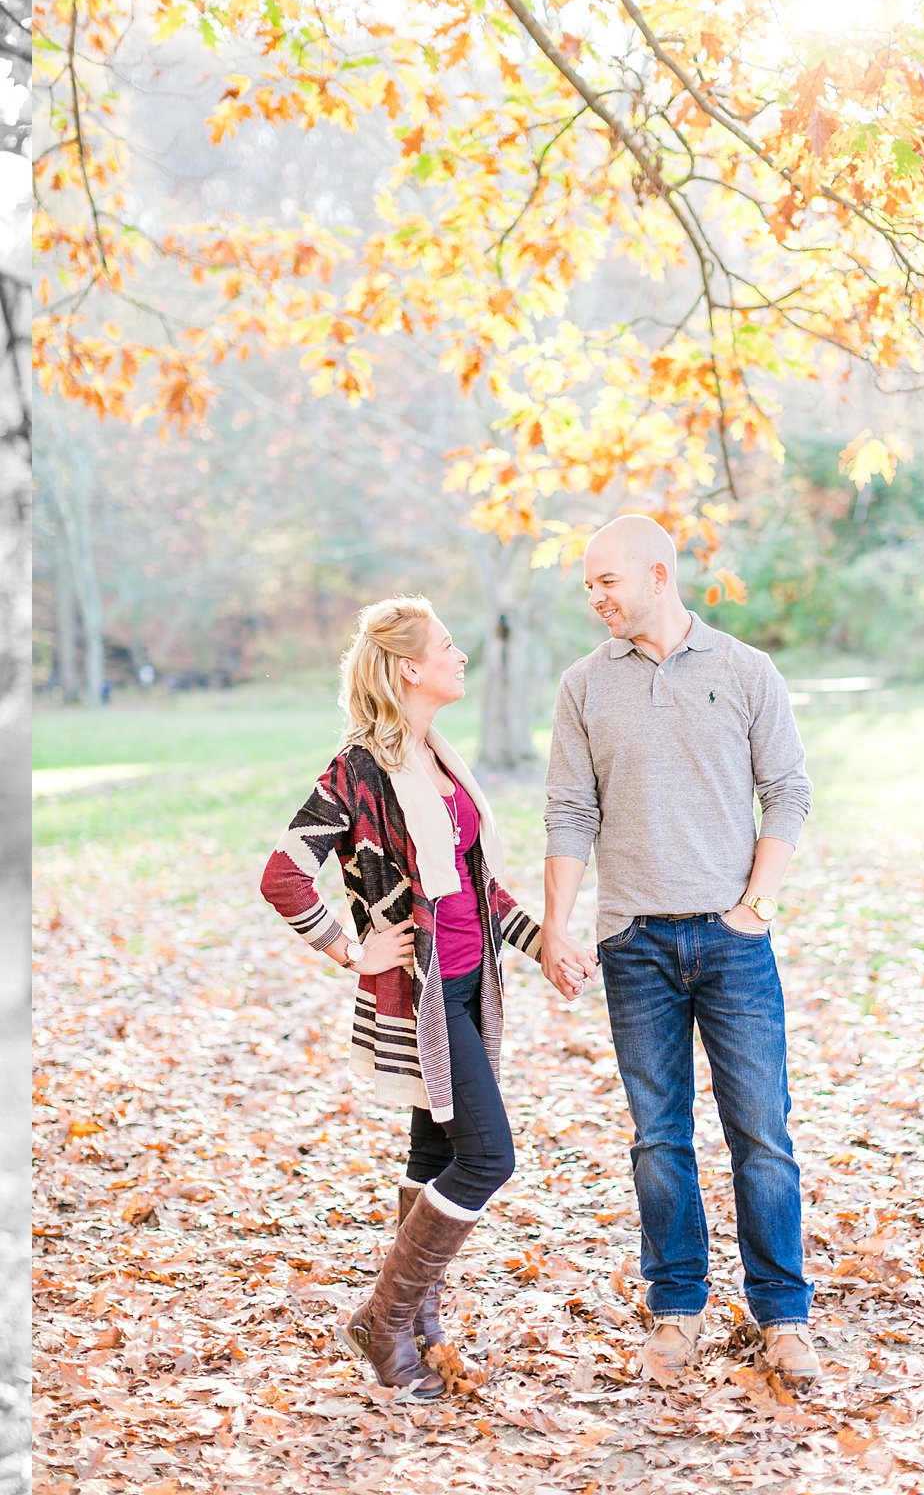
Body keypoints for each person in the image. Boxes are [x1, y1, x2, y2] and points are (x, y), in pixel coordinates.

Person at [260, 596, 581, 1400]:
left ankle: (417, 1322)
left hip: (473, 986)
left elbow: (475, 889)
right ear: (411, 667)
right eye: (447, 645)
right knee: (487, 1157)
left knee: (435, 1155)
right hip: (422, 997)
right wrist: (348, 947)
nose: (460, 655)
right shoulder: (360, 768)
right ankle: (382, 1318)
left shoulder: (436, 755)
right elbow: (282, 873)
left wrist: (543, 947)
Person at [542, 514, 818, 1390]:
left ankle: (783, 1317)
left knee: (761, 1136)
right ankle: (677, 1308)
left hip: (734, 944)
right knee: (658, 1139)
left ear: (658, 574)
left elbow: (788, 791)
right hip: (635, 944)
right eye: (588, 587)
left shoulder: (745, 671)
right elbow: (568, 814)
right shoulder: (584, 687)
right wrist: (559, 924)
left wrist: (755, 906)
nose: (595, 600)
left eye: (605, 583)